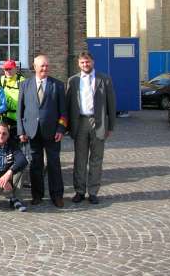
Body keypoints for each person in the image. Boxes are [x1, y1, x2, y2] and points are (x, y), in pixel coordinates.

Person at [17, 54, 67, 208]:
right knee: (35, 165)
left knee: (54, 164)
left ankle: (57, 195)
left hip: (52, 132)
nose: (45, 68)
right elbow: (20, 110)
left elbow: (63, 112)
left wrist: (61, 129)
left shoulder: (57, 85)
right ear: (35, 67)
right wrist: (21, 131)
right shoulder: (25, 85)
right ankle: (37, 195)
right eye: (42, 66)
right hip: (32, 132)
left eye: (47, 65)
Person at [66, 51, 116, 205]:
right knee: (79, 159)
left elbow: (111, 103)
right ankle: (79, 191)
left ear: (92, 62)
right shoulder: (73, 80)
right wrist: (67, 126)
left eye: (87, 62)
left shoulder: (104, 79)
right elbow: (68, 105)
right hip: (80, 122)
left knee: (96, 159)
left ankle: (93, 192)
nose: (85, 65)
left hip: (98, 122)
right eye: (82, 62)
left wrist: (111, 126)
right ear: (78, 64)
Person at [0, 59, 26, 139]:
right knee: (5, 138)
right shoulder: (2, 79)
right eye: (6, 69)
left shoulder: (21, 80)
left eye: (10, 69)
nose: (8, 71)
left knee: (17, 139)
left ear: (15, 69)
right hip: (5, 115)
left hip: (18, 115)